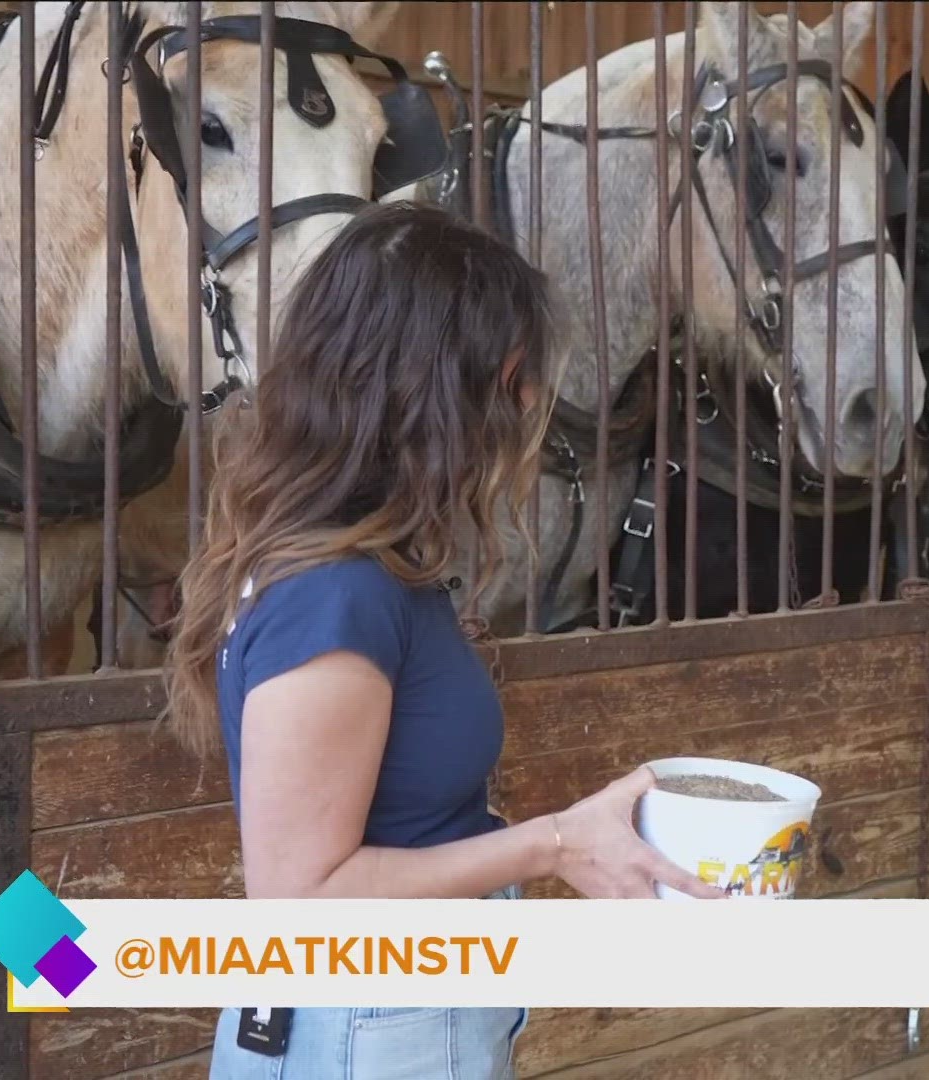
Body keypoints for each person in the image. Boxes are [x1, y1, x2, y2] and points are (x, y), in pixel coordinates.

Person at [161, 203, 721, 1080]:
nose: (531, 402)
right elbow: (301, 900)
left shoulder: (358, 569)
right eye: (515, 377)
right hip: (367, 1028)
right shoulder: (335, 596)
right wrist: (555, 844)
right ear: (450, 387)